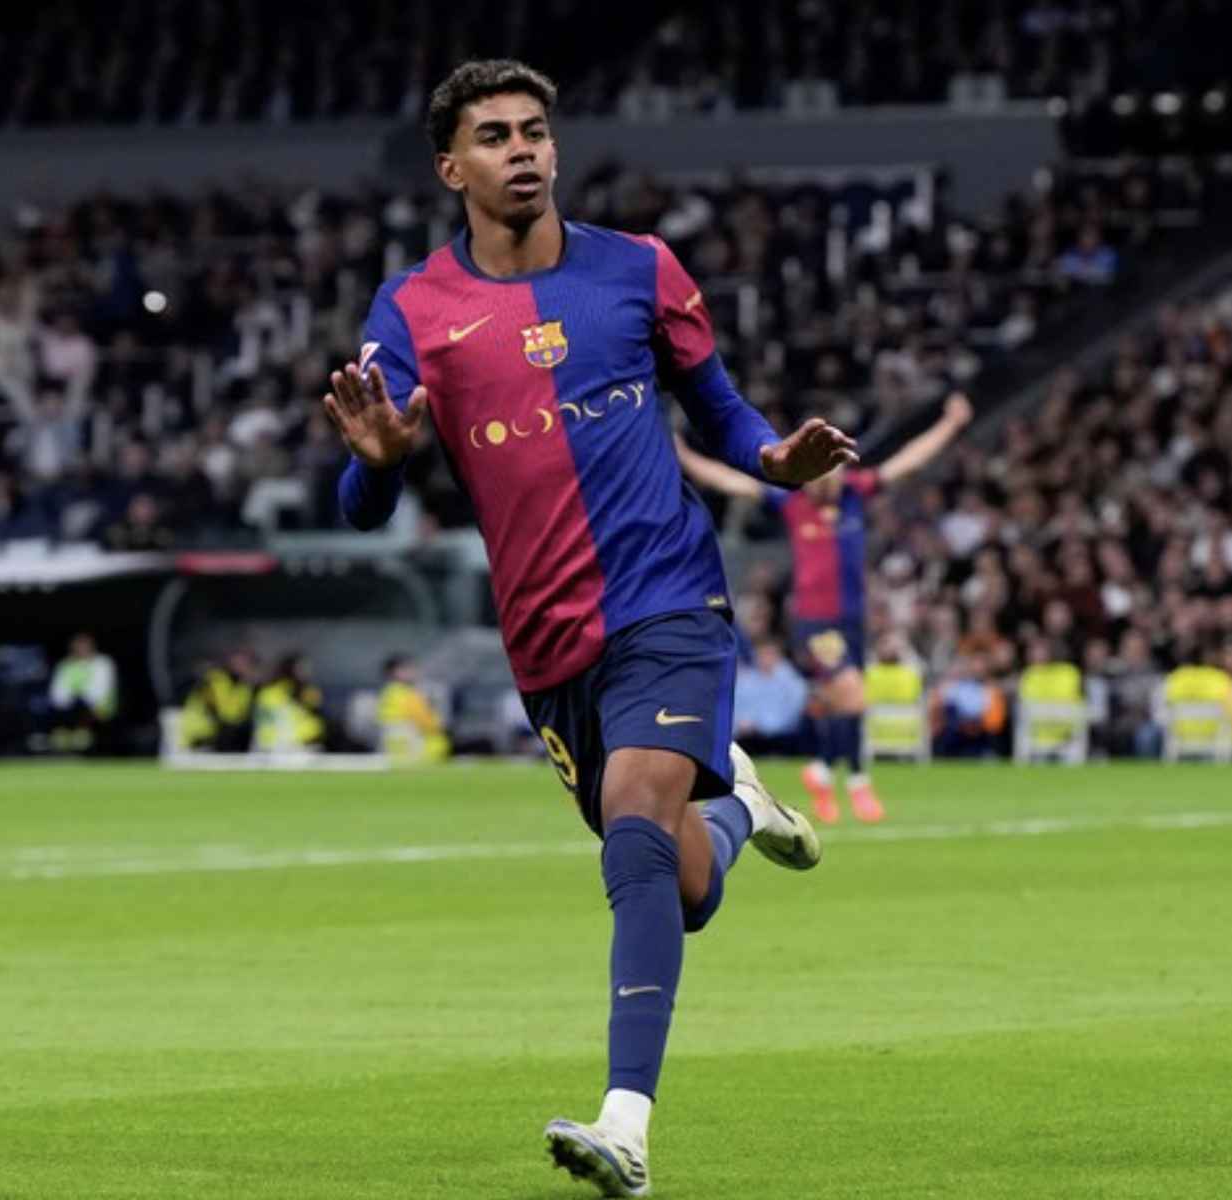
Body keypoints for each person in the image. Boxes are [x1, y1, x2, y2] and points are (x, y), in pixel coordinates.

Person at [324, 60, 834, 1196]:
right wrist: (380, 465)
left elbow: (721, 408)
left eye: (534, 131)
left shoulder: (640, 269)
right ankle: (739, 808)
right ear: (451, 167)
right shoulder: (413, 310)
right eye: (494, 136)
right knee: (679, 882)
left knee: (634, 825)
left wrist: (770, 459)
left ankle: (626, 1124)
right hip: (548, 641)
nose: (521, 150)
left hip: (668, 597)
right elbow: (362, 498)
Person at [678, 392, 973, 823]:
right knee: (853, 696)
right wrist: (685, 456)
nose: (828, 477)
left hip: (851, 621)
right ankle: (857, 781)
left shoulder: (855, 494)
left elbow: (909, 461)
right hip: (814, 624)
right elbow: (730, 482)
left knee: (840, 706)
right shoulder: (791, 502)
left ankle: (821, 771)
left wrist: (951, 424)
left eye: (834, 467)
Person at [732, 639, 809, 758]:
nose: (765, 659)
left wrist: (762, 725)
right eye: (762, 655)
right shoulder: (745, 680)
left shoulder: (792, 681)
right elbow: (737, 708)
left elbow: (793, 713)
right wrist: (743, 723)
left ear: (778, 656)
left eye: (769, 654)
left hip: (783, 736)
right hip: (750, 736)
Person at [47, 632, 118, 753]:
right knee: (64, 711)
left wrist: (84, 699)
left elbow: (101, 689)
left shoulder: (103, 663)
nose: (81, 649)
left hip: (98, 708)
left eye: (85, 646)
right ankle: (65, 742)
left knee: (83, 709)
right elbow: (57, 692)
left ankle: (82, 739)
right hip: (70, 708)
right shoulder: (66, 665)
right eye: (78, 646)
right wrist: (67, 702)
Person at [376, 654, 451, 763]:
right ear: (396, 672)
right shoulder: (406, 694)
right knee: (439, 741)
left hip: (391, 746)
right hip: (412, 745)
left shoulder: (387, 692)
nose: (414, 671)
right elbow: (426, 721)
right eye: (408, 668)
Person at [253, 652, 327, 751]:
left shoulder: (310, 692)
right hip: (279, 748)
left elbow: (316, 722)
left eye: (306, 668)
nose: (306, 672)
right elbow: (266, 728)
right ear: (289, 669)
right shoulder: (270, 693)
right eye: (301, 668)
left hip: (308, 745)